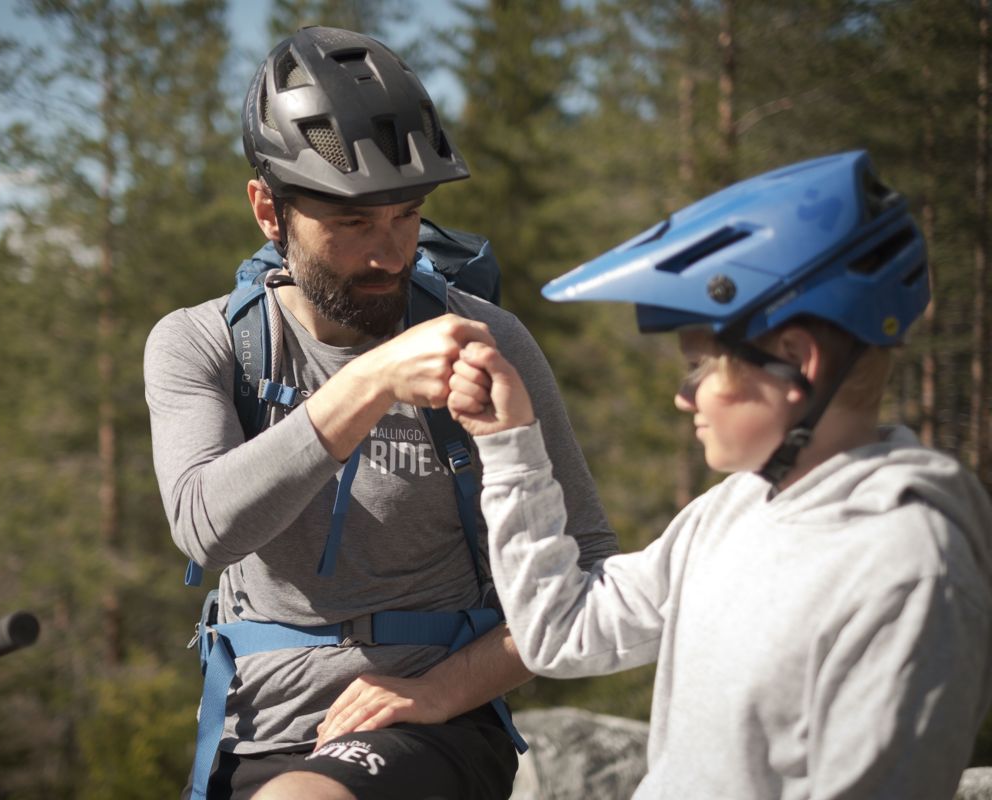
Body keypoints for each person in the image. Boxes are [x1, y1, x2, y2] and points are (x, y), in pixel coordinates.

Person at [143, 26, 616, 800]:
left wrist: (441, 692)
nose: (390, 254)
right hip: (251, 733)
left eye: (406, 216)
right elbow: (205, 525)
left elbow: (586, 570)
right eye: (354, 224)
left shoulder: (485, 340)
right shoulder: (203, 345)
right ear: (269, 210)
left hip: (434, 725)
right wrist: (371, 384)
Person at [447, 151, 992, 799]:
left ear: (795, 362)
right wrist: (509, 444)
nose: (685, 396)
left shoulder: (908, 571)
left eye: (701, 367)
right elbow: (562, 630)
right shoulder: (739, 506)